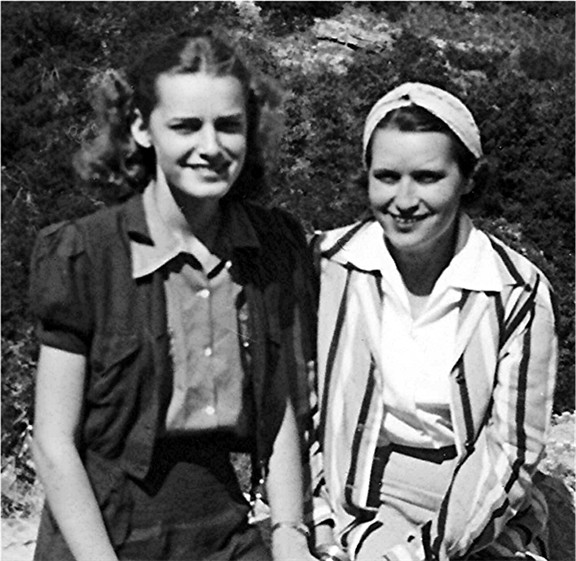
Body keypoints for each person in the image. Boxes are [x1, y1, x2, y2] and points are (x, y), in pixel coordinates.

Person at [29, 29, 318, 561]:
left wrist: (289, 534)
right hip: (103, 534)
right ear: (142, 128)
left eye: (229, 126)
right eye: (186, 126)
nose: (211, 148)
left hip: (222, 531)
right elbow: (52, 443)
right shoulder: (86, 256)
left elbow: (277, 407)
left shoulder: (272, 246)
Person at [308, 82, 557, 561]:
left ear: (467, 179)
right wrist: (315, 519)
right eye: (386, 177)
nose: (403, 200)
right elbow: (297, 409)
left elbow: (509, 451)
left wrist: (420, 554)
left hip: (468, 510)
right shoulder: (325, 266)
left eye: (427, 177)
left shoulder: (516, 292)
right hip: (350, 494)